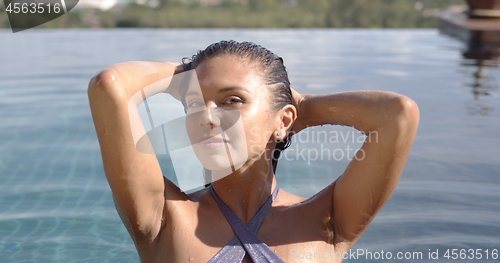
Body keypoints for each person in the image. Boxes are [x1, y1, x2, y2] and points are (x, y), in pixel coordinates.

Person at [88, 40, 419, 263]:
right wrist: (186, 71)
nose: (205, 116)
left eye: (232, 100)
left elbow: (397, 115)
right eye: (192, 103)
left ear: (283, 119)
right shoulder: (164, 217)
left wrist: (299, 109)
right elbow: (110, 86)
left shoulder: (327, 220)